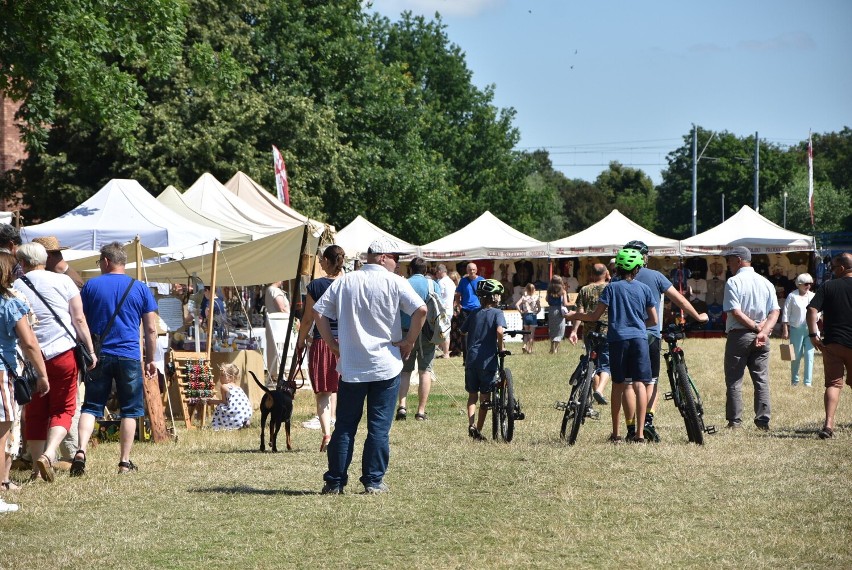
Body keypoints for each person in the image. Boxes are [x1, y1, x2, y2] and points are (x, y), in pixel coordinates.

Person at [313, 237, 426, 495]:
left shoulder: (345, 281)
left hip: (352, 366)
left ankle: (335, 481)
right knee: (378, 427)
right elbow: (421, 310)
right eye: (395, 259)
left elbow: (319, 311)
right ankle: (373, 482)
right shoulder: (395, 282)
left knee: (344, 426)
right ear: (383, 257)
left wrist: (331, 343)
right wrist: (409, 341)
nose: (396, 265)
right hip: (385, 365)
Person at [72, 242, 159, 476]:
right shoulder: (140, 288)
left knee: (91, 406)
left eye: (99, 262)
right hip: (129, 355)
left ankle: (80, 451)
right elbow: (151, 329)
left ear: (106, 261)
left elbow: (79, 319)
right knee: (130, 410)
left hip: (98, 355)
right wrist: (150, 358)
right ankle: (124, 461)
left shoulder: (91, 286)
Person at [14, 243, 97, 483]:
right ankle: (50, 454)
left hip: (31, 358)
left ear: (23, 263)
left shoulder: (16, 286)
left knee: (36, 412)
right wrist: (90, 350)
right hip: (63, 353)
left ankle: (35, 470)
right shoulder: (63, 281)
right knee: (63, 408)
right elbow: (79, 319)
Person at [566, 249, 657, 443]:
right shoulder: (644, 289)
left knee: (619, 385)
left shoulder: (611, 288)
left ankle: (616, 434)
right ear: (637, 268)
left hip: (617, 340)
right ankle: (639, 435)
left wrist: (575, 316)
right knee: (640, 384)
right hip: (639, 340)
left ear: (618, 269)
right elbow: (654, 320)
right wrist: (639, 325)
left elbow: (593, 316)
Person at [621, 240, 708, 441]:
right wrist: (697, 316)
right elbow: (680, 300)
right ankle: (648, 421)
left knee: (627, 383)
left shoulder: (618, 278)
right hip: (650, 333)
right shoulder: (656, 276)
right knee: (651, 380)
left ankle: (630, 428)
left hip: (625, 335)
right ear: (645, 257)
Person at [0, 253, 49, 491]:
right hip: (3, 372)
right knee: (2, 432)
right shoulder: (10, 303)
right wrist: (42, 374)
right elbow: (29, 342)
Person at [721, 246, 780, 431]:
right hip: (763, 336)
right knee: (761, 380)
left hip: (739, 335)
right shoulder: (766, 282)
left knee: (734, 381)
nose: (727, 264)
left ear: (738, 260)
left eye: (729, 260)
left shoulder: (734, 281)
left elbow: (736, 312)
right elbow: (775, 311)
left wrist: (755, 327)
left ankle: (735, 421)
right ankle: (763, 420)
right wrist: (763, 331)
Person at [295, 245, 344, 450]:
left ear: (326, 261)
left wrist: (300, 342)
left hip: (323, 342)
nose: (320, 263)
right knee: (343, 389)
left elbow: (307, 320)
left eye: (322, 260)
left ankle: (327, 434)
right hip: (347, 342)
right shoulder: (349, 282)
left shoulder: (315, 286)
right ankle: (342, 431)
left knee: (323, 392)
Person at [807, 253, 852, 439]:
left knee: (833, 384)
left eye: (833, 268)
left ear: (842, 268)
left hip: (834, 342)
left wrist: (813, 334)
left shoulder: (829, 286)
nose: (831, 271)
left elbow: (811, 309)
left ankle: (828, 425)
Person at [461, 279, 506, 441]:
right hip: (487, 361)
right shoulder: (497, 313)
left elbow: (462, 331)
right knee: (485, 398)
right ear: (494, 297)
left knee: (472, 395)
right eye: (498, 295)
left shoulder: (474, 313)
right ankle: (478, 430)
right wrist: (500, 348)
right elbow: (500, 332)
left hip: (471, 360)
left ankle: (471, 424)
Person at [396, 257, 439, 422]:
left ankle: (402, 406)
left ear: (410, 270)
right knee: (425, 371)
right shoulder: (432, 284)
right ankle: (421, 411)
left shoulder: (403, 283)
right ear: (425, 270)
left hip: (406, 331)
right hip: (427, 331)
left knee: (405, 371)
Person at [569, 263, 611, 405]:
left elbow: (579, 314)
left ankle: (592, 395)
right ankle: (599, 390)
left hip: (589, 332)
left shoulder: (584, 290)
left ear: (592, 275)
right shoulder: (611, 288)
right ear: (606, 273)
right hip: (607, 331)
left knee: (591, 362)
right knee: (605, 364)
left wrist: (574, 331)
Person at [781, 273, 817, 387]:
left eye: (810, 284)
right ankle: (794, 380)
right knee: (795, 355)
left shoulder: (813, 295)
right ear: (799, 284)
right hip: (796, 328)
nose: (808, 286)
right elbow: (786, 313)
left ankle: (808, 382)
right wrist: (785, 330)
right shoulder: (792, 296)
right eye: (806, 284)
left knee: (809, 354)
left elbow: (818, 311)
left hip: (811, 328)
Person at [454, 263, 484, 362]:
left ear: (476, 270)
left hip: (478, 309)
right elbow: (458, 294)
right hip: (465, 310)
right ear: (467, 270)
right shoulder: (463, 281)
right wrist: (458, 305)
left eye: (473, 269)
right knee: (464, 334)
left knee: (478, 333)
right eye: (470, 270)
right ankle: (466, 359)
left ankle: (477, 356)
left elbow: (485, 295)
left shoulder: (481, 280)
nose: (472, 271)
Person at [210, 363, 252, 431]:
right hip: (246, 413)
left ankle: (219, 426)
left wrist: (212, 401)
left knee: (219, 407)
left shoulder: (224, 387)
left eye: (222, 375)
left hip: (236, 414)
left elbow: (224, 402)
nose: (220, 377)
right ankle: (244, 422)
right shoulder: (238, 387)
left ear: (230, 377)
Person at [264, 280, 291, 384]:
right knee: (280, 348)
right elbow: (282, 308)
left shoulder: (269, 290)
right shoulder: (275, 290)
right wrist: (292, 317)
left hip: (274, 325)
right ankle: (280, 372)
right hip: (280, 324)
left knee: (274, 348)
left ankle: (276, 372)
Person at [436, 264, 455, 358]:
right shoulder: (451, 281)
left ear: (440, 271)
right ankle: (445, 351)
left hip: (443, 309)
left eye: (436, 272)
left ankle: (446, 353)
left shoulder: (441, 282)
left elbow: (439, 297)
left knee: (444, 331)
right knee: (446, 330)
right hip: (450, 309)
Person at [514, 283, 540, 354]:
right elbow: (539, 307)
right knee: (531, 334)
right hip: (533, 315)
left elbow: (516, 305)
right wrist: (537, 311)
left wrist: (521, 311)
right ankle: (530, 349)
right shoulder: (536, 297)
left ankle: (525, 345)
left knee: (526, 333)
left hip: (525, 315)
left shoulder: (524, 297)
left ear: (526, 289)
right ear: (534, 290)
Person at [546, 275, 568, 354]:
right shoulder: (563, 291)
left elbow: (547, 300)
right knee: (560, 329)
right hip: (560, 310)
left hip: (551, 310)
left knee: (552, 329)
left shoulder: (549, 291)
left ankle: (552, 348)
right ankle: (556, 349)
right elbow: (565, 303)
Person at [447, 270, 464, 356]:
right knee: (453, 330)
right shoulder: (450, 287)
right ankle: (454, 349)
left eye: (454, 280)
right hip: (452, 309)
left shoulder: (460, 287)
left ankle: (460, 348)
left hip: (459, 309)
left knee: (460, 330)